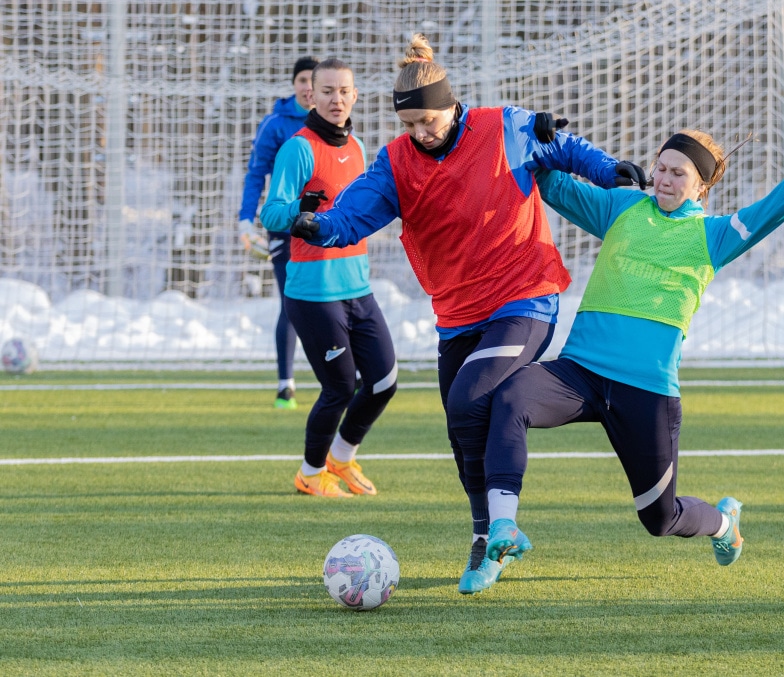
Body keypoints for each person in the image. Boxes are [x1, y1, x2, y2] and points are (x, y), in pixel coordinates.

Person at [288, 34, 646, 593]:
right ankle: (488, 541)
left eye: (429, 121)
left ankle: (502, 525)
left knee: (469, 396)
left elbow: (562, 148)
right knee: (462, 427)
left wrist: (610, 169)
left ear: (452, 106)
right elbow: (354, 215)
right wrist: (319, 227)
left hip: (526, 296)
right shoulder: (396, 161)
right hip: (456, 312)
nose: (420, 133)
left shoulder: (502, 125)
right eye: (410, 126)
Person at [482, 114, 784, 575]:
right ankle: (503, 527)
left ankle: (724, 522)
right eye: (660, 167)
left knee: (660, 519)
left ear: (701, 188)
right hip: (578, 373)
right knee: (511, 395)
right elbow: (547, 180)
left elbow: (776, 207)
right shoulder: (621, 208)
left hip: (646, 392)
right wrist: (543, 137)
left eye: (677, 172)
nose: (663, 178)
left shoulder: (713, 236)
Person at [260, 59, 398, 499]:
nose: (336, 99)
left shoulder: (357, 146)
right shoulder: (298, 148)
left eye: (344, 91)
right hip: (313, 291)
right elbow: (272, 213)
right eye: (327, 91)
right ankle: (309, 472)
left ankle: (341, 457)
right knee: (339, 387)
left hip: (357, 286)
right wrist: (303, 210)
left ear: (355, 95)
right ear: (311, 96)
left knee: (383, 380)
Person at [238, 56, 319, 410]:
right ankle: (286, 384)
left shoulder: (335, 121)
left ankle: (341, 376)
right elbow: (256, 174)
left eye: (315, 80)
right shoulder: (275, 124)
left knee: (331, 300)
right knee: (292, 302)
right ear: (295, 85)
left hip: (324, 228)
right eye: (303, 80)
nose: (309, 87)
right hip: (284, 227)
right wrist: (245, 219)